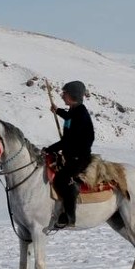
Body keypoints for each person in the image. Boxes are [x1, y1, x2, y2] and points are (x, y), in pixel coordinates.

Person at [43, 80, 95, 229]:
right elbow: (69, 118)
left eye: (64, 93)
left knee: (62, 179)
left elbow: (68, 141)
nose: (62, 95)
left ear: (73, 95)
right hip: (70, 155)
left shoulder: (80, 114)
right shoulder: (74, 111)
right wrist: (58, 111)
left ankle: (69, 216)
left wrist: (49, 149)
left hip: (79, 157)